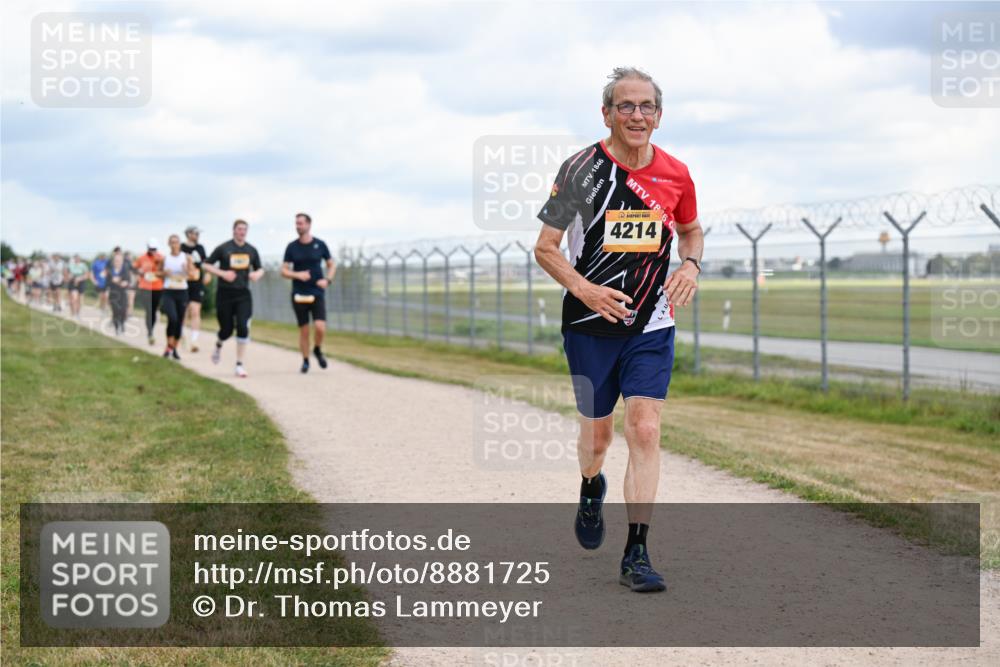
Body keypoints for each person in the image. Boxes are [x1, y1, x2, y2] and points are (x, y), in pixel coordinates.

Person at [534, 67, 704, 593]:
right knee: (598, 437)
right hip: (590, 323)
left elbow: (691, 230)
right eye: (625, 106)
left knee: (645, 429)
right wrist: (585, 290)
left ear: (659, 115)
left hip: (652, 321)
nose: (637, 115)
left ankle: (637, 552)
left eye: (646, 106)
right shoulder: (581, 170)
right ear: (606, 114)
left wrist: (690, 264)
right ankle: (591, 485)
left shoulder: (676, 174)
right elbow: (545, 248)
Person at [202, 219, 264, 377]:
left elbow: (260, 269)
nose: (242, 232)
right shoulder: (224, 248)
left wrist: (256, 274)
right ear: (234, 230)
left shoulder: (251, 250)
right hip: (225, 294)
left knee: (243, 327)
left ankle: (239, 365)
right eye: (239, 229)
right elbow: (206, 265)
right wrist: (222, 273)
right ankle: (218, 344)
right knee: (226, 330)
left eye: (244, 229)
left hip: (243, 294)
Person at [281, 212, 336, 373]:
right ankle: (305, 361)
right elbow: (283, 271)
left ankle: (317, 349)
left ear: (308, 225)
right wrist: (297, 275)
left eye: (301, 223)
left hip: (316, 292)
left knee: (320, 327)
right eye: (296, 223)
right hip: (299, 294)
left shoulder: (320, 244)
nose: (298, 226)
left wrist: (327, 280)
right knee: (304, 330)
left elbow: (332, 265)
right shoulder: (292, 247)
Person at [159, 234, 195, 360]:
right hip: (169, 291)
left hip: (182, 291)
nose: (174, 244)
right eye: (172, 242)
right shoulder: (165, 258)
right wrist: (164, 273)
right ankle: (169, 345)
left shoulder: (186, 258)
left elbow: (193, 275)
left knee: (179, 321)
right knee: (172, 318)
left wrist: (186, 270)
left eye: (176, 242)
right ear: (169, 244)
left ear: (180, 244)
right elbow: (157, 273)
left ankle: (173, 349)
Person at [180, 225, 210, 352]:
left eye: (198, 234)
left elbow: (206, 263)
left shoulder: (200, 248)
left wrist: (208, 273)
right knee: (183, 311)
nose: (197, 236)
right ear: (188, 234)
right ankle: (181, 335)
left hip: (197, 283)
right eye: (195, 233)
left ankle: (194, 340)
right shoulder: (181, 247)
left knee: (195, 311)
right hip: (183, 283)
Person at [133, 239, 164, 345]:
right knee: (149, 310)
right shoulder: (142, 258)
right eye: (151, 249)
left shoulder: (161, 258)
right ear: (148, 248)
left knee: (153, 310)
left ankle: (151, 330)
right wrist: (139, 271)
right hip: (145, 287)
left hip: (157, 287)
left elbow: (165, 271)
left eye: (154, 249)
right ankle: (150, 332)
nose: (153, 251)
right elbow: (134, 268)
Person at [105, 247, 133, 335]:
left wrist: (125, 282)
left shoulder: (125, 270)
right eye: (116, 261)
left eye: (119, 261)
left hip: (123, 293)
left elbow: (128, 280)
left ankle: (122, 323)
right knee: (116, 311)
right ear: (114, 261)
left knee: (123, 310)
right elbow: (107, 283)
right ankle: (117, 328)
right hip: (113, 293)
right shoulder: (110, 271)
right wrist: (112, 281)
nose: (118, 262)